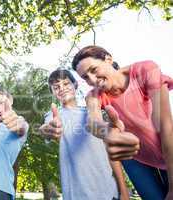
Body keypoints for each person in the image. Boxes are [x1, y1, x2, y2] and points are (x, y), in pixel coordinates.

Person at [72, 45, 173, 200]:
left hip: (168, 148)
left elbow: (165, 126)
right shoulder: (93, 96)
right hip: (136, 157)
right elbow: (93, 122)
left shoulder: (145, 70)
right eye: (85, 77)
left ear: (108, 59)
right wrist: (107, 132)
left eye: (94, 70)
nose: (92, 80)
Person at [40, 69, 129, 200]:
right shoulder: (53, 116)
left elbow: (112, 155)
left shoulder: (94, 115)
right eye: (56, 87)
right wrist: (48, 129)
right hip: (76, 193)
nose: (62, 88)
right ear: (53, 92)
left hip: (109, 191)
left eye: (66, 84)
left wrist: (124, 191)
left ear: (75, 85)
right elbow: (46, 129)